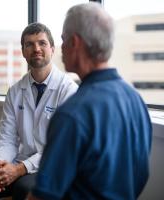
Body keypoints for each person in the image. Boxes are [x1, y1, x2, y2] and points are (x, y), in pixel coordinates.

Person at [28, 2, 152, 200]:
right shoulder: (135, 100)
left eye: (63, 40)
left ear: (75, 43)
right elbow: (141, 175)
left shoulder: (72, 114)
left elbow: (43, 196)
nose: (61, 48)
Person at [0, 22, 78, 200]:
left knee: (24, 188)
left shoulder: (68, 90)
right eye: (29, 44)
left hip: (53, 165)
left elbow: (60, 147)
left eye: (42, 43)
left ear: (53, 49)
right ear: (23, 51)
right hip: (19, 161)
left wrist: (19, 169)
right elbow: (7, 136)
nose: (36, 49)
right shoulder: (16, 90)